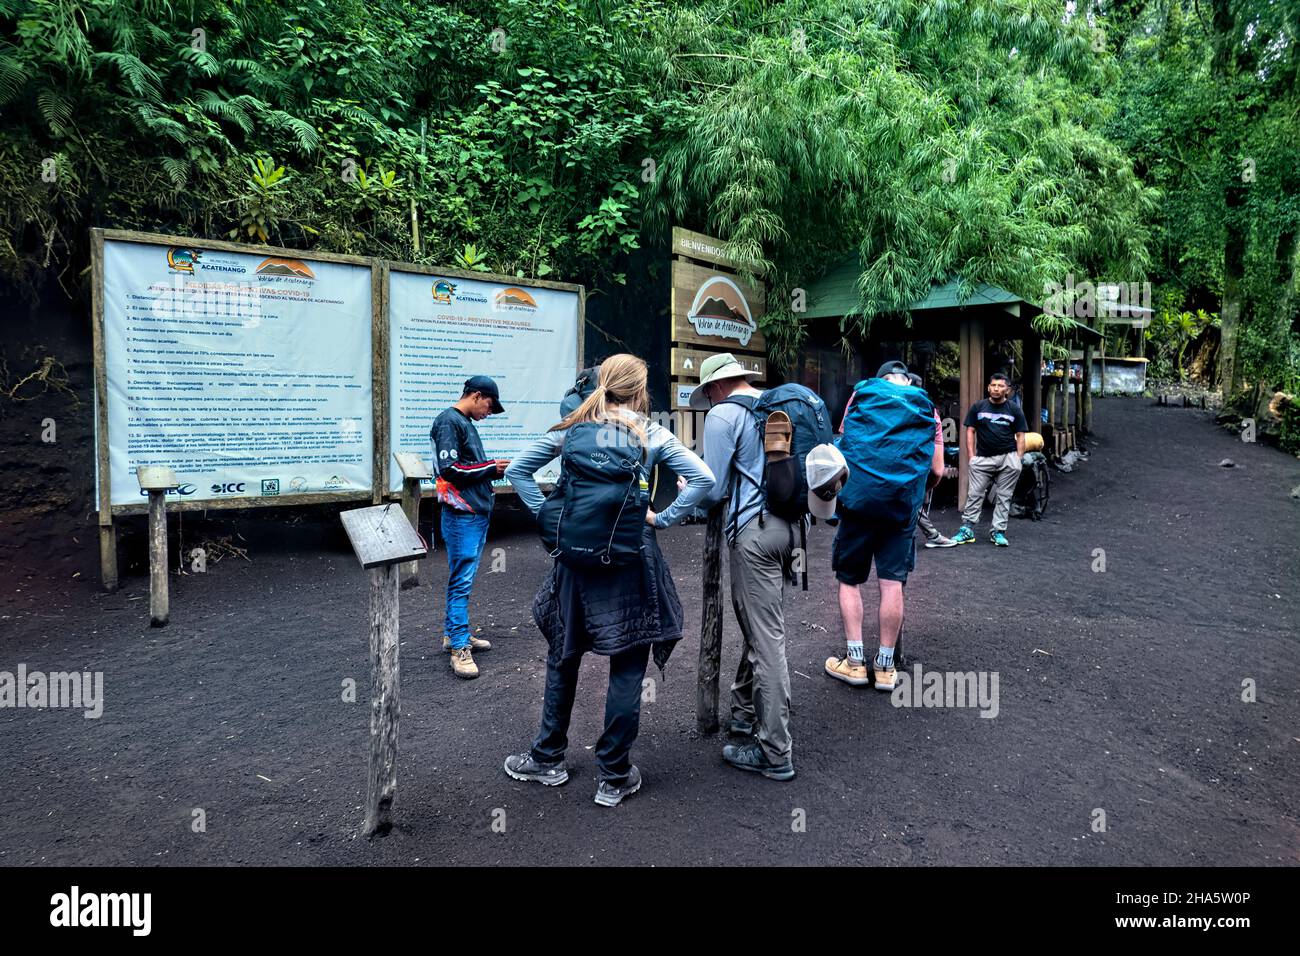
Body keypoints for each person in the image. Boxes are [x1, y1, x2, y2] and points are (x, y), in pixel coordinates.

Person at [501, 354, 713, 807]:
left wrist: (552, 519)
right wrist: (665, 518)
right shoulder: (649, 432)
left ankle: (547, 758)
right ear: (640, 390)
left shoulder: (573, 428)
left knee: (564, 654)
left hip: (575, 562)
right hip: (632, 557)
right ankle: (614, 777)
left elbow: (517, 470)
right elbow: (703, 479)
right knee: (628, 667)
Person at [691, 352, 797, 781]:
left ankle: (775, 752)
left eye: (708, 393)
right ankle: (742, 715)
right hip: (788, 530)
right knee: (761, 629)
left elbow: (712, 488)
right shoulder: (776, 404)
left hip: (752, 534)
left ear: (716, 386)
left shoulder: (723, 416)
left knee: (767, 640)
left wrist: (686, 488)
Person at [825, 361, 944, 690]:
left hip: (859, 504)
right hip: (901, 509)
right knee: (892, 584)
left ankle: (854, 662)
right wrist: (914, 490)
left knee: (849, 581)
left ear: (880, 381)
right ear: (907, 380)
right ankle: (887, 667)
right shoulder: (927, 407)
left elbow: (845, 449)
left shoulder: (862, 396)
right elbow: (936, 470)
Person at [431, 375, 508, 679]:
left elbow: (464, 467)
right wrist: (491, 467)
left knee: (463, 577)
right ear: (476, 396)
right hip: (462, 516)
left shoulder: (463, 423)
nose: (490, 412)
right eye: (489, 405)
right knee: (461, 580)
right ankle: (459, 647)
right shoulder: (449, 422)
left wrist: (488, 468)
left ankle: (455, 633)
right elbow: (450, 469)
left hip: (473, 513)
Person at [951, 372, 1027, 547]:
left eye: (1000, 386)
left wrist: (1018, 459)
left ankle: (998, 532)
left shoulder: (1014, 409)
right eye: (993, 385)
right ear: (988, 387)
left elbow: (1021, 434)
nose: (996, 389)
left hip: (1008, 457)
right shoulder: (978, 407)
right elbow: (970, 430)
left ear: (1007, 390)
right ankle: (967, 529)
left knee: (1004, 496)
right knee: (975, 494)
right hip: (983, 458)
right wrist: (971, 457)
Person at [908, 372, 959, 549]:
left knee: (912, 500)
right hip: (916, 462)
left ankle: (931, 534)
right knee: (912, 499)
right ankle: (932, 535)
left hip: (911, 461)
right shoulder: (928, 408)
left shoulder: (925, 407)